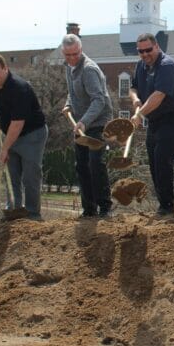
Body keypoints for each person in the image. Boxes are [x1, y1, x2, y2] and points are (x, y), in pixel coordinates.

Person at [0, 53, 48, 221]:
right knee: (11, 174)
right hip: (12, 134)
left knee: (30, 175)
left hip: (32, 135)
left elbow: (17, 123)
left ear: (5, 69)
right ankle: (14, 210)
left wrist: (5, 148)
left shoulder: (19, 88)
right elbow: (1, 107)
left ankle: (33, 214)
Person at [130, 33, 174, 216]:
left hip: (173, 118)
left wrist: (140, 113)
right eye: (141, 51)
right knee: (154, 162)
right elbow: (133, 88)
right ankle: (163, 203)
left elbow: (158, 96)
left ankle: (167, 207)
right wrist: (136, 100)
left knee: (162, 159)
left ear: (157, 47)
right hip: (154, 120)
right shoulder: (141, 65)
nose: (145, 54)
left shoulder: (166, 65)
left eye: (148, 50)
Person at [61, 34, 113, 218]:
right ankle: (89, 209)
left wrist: (84, 121)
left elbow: (99, 100)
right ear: (63, 53)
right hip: (81, 124)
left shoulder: (89, 69)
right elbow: (73, 92)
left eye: (75, 54)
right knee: (81, 165)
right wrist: (68, 104)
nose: (72, 58)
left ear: (81, 50)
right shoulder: (69, 67)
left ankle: (105, 207)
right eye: (68, 55)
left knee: (95, 162)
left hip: (98, 121)